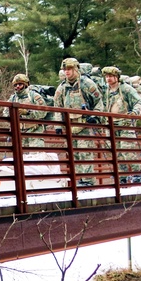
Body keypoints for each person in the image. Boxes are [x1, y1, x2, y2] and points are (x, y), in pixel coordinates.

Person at [54, 57, 103, 186]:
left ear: (76, 69)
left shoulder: (87, 83)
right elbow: (57, 106)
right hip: (69, 125)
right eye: (65, 69)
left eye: (69, 69)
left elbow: (99, 101)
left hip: (84, 124)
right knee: (74, 155)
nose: (67, 72)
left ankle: (88, 181)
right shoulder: (62, 87)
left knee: (85, 153)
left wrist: (95, 116)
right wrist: (58, 124)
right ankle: (80, 180)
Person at [101, 66, 141, 183]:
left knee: (128, 150)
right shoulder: (106, 91)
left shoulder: (126, 89)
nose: (108, 79)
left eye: (111, 76)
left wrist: (134, 113)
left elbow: (138, 101)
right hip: (111, 124)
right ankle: (122, 175)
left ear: (116, 77)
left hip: (125, 124)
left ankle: (138, 174)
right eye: (107, 76)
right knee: (116, 153)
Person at [2, 73, 49, 147]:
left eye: (20, 84)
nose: (17, 86)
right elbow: (5, 112)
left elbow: (43, 111)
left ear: (25, 85)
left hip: (34, 132)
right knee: (21, 157)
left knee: (36, 155)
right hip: (19, 133)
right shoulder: (13, 98)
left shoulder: (34, 96)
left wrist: (27, 112)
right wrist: (13, 114)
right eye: (15, 85)